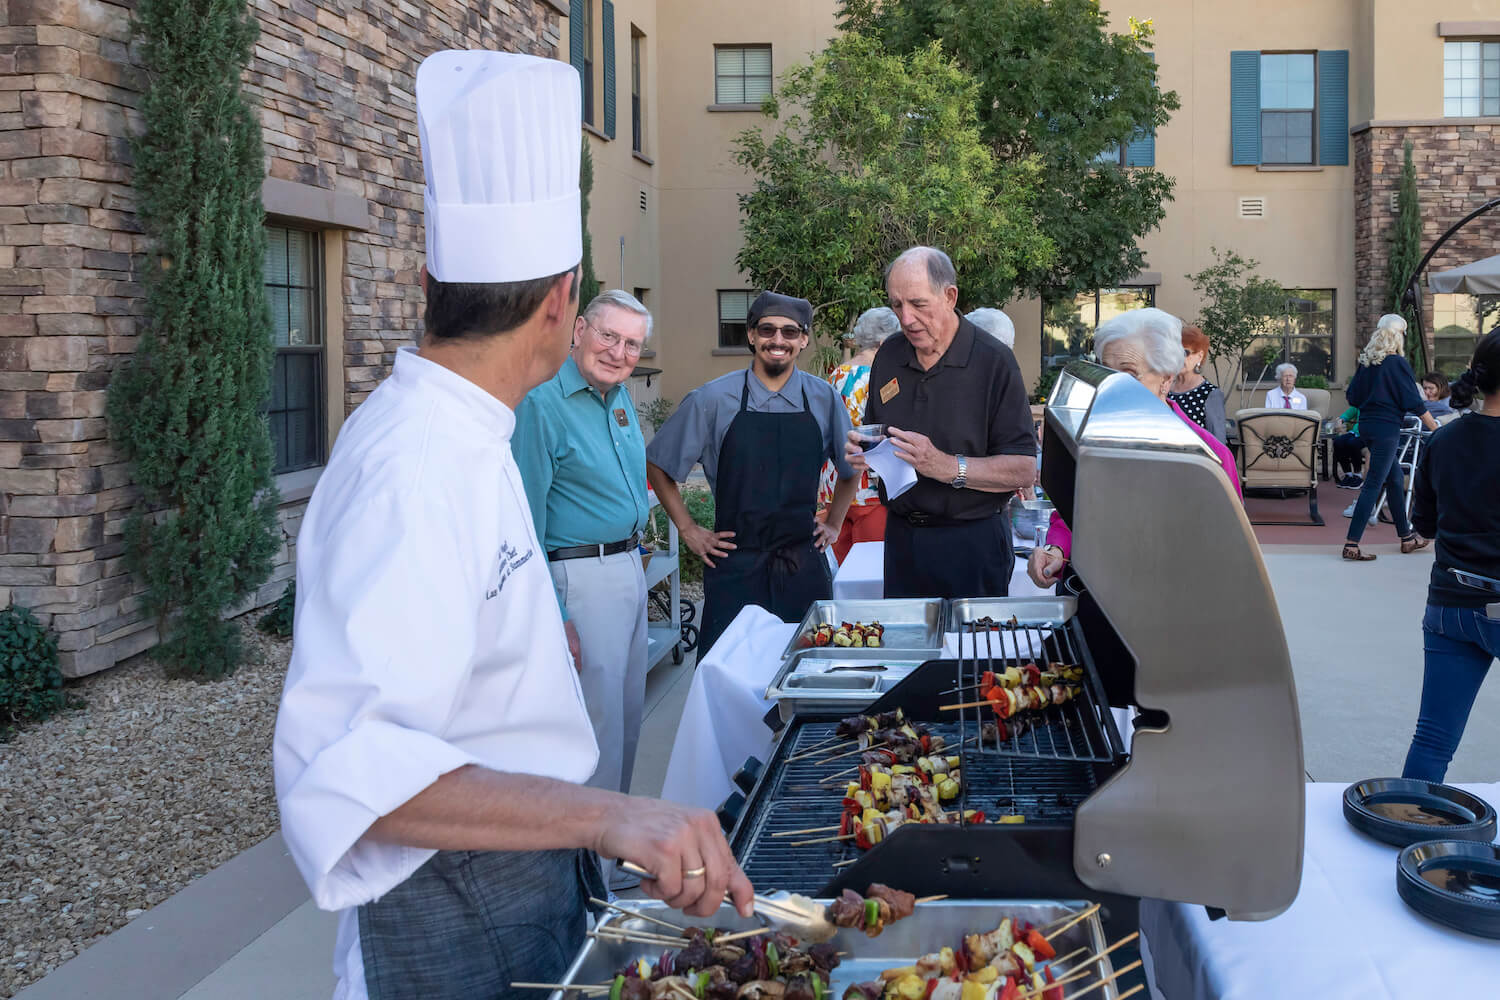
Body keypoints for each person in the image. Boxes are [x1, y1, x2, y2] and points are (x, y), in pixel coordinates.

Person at [273, 52, 752, 1000]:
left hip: (522, 876)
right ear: (561, 305)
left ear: (425, 283)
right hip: (447, 906)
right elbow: (355, 774)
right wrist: (612, 816)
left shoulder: (469, 426)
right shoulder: (415, 464)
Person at [1026, 307, 1240, 706]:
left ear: (1168, 378)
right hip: (1097, 612)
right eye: (1106, 374)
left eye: (1128, 375)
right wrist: (1057, 549)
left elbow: (1229, 566)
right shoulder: (1095, 439)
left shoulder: (1208, 457)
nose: (1112, 388)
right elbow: (1071, 511)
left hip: (1166, 635)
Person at [513, 290, 652, 883]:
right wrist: (556, 612)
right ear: (578, 330)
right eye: (608, 337)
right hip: (580, 576)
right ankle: (589, 869)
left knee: (626, 718)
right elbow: (524, 519)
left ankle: (610, 845)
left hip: (627, 570)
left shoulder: (618, 399)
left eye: (632, 345)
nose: (618, 353)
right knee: (595, 727)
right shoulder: (542, 404)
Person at [647, 291, 859, 658]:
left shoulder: (824, 398)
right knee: (728, 678)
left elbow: (850, 468)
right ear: (751, 335)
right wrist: (688, 529)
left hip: (801, 565)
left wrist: (835, 522)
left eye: (790, 332)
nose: (778, 341)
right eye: (768, 330)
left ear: (804, 339)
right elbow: (659, 464)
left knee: (808, 674)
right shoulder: (711, 399)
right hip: (734, 568)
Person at [848, 247, 1037, 599]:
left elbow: (1024, 470)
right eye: (897, 305)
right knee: (907, 652)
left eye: (918, 304)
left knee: (972, 653)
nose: (905, 319)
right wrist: (864, 451)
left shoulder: (993, 361)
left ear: (950, 296)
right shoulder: (889, 354)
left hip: (972, 543)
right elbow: (878, 432)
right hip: (903, 541)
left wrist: (947, 466)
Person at [1401, 331, 1500, 782]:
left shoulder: (1443, 441)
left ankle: (1408, 838)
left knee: (1433, 739)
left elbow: (1425, 525)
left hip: (1452, 603)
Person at [1341, 314, 1439, 561]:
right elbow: (1413, 402)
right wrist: (1436, 430)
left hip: (1367, 428)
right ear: (1397, 336)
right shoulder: (1396, 363)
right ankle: (1351, 544)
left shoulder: (1366, 362)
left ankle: (1406, 538)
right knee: (1373, 484)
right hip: (1386, 430)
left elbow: (1352, 397)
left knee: (1394, 478)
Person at [818, 306, 899, 562]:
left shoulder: (835, 375)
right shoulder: (884, 380)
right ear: (886, 342)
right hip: (872, 491)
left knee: (841, 574)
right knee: (871, 574)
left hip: (835, 490)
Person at [1168, 324, 1228, 443]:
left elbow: (1218, 443)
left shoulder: (1210, 394)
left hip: (1195, 459)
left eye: (1185, 353)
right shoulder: (1164, 388)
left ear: (1199, 356)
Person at [1332, 405, 1365, 488]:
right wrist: (1340, 420)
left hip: (1368, 434)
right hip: (1355, 432)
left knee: (1352, 443)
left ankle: (1358, 475)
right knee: (1338, 442)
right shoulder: (1360, 401)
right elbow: (1346, 415)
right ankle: (1348, 474)